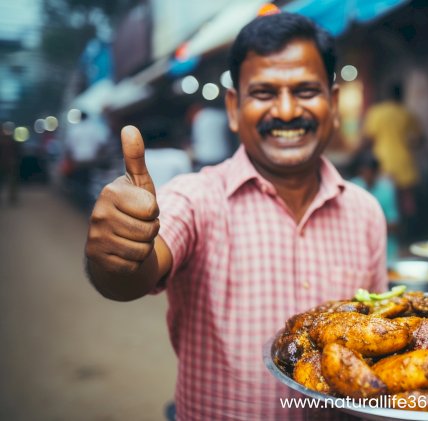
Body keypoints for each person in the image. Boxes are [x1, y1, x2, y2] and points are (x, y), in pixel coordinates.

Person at [84, 13, 387, 420]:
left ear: (332, 104)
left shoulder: (365, 212)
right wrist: (116, 254)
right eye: (263, 92)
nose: (285, 110)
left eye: (306, 90)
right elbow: (131, 276)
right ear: (233, 106)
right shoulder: (197, 199)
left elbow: (379, 340)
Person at [361, 84, 421, 225]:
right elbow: (419, 139)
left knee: (386, 199)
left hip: (382, 162)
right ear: (402, 95)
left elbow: (368, 139)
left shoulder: (377, 112)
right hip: (404, 162)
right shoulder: (407, 114)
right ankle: (406, 234)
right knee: (405, 203)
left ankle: (386, 232)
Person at [350, 151, 400, 263]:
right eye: (365, 172)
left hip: (386, 249)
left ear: (376, 172)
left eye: (371, 172)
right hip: (359, 248)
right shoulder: (353, 188)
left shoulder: (387, 189)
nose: (368, 176)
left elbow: (394, 224)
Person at [190, 105, 233, 169]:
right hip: (222, 155)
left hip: (204, 156)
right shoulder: (224, 116)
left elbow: (195, 139)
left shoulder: (200, 116)